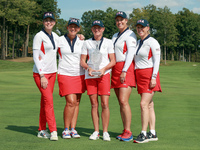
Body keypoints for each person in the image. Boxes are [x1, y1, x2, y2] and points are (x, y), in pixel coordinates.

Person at [80, 20, 116, 141]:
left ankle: (105, 131)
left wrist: (104, 69)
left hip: (104, 75)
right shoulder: (86, 43)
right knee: (94, 104)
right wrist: (88, 68)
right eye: (95, 28)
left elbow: (113, 61)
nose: (97, 30)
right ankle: (96, 131)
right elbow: (82, 61)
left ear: (103, 29)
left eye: (99, 28)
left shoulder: (109, 42)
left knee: (105, 104)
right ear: (92, 30)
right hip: (90, 75)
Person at [133, 19, 162, 143]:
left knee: (143, 104)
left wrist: (154, 77)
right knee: (149, 105)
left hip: (149, 75)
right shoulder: (138, 42)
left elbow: (157, 61)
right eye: (138, 27)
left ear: (148, 28)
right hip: (139, 75)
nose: (140, 29)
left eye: (142, 27)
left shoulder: (152, 42)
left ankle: (143, 133)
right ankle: (153, 133)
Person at [57, 18, 86, 139]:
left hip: (79, 74)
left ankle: (73, 129)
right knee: (71, 102)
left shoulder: (82, 41)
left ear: (78, 28)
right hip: (65, 73)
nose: (73, 28)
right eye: (71, 26)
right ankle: (66, 129)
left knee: (77, 102)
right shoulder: (59, 40)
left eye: (75, 27)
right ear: (67, 27)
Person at [111, 11, 137, 142]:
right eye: (117, 20)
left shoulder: (130, 34)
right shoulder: (115, 35)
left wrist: (124, 70)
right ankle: (124, 130)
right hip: (115, 68)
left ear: (126, 20)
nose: (119, 22)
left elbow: (130, 54)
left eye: (122, 19)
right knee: (120, 102)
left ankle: (128, 131)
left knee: (123, 100)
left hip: (125, 68)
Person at [33, 12, 59, 141]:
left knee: (45, 101)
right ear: (43, 22)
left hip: (52, 72)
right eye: (46, 20)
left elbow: (64, 43)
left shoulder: (55, 36)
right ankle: (53, 130)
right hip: (41, 74)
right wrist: (42, 74)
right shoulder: (39, 36)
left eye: (51, 20)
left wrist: (79, 36)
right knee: (48, 101)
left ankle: (41, 130)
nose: (48, 22)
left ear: (54, 22)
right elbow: (35, 57)